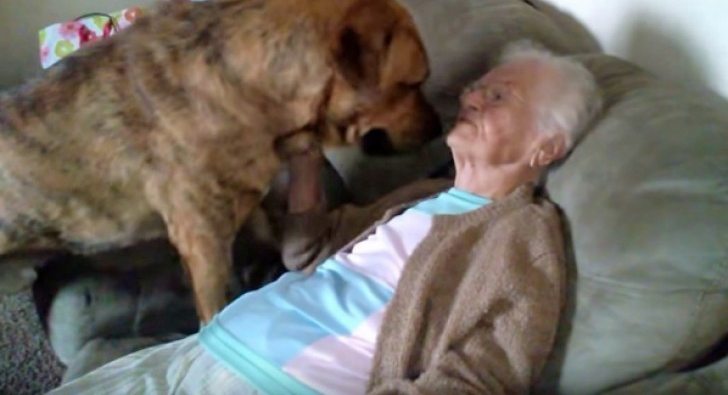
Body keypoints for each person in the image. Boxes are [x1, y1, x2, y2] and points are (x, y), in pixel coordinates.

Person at [47, 40, 602, 395]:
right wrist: (307, 163)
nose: (472, 98)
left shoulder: (522, 235)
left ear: (545, 147)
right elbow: (306, 253)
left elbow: (486, 374)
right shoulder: (423, 195)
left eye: (499, 96)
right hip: (210, 345)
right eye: (476, 88)